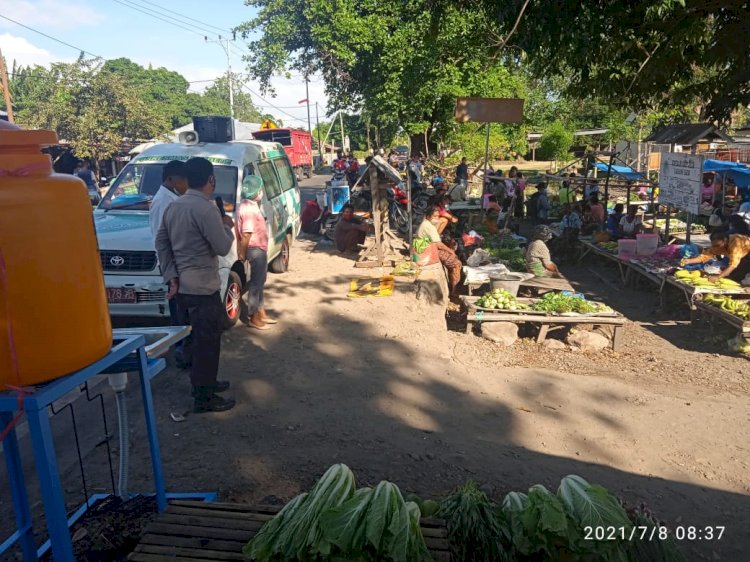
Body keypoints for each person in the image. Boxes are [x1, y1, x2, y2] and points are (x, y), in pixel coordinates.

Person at [155, 157, 236, 413]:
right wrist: (227, 227)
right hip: (203, 288)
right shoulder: (205, 209)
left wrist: (171, 275)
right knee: (208, 343)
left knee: (195, 341)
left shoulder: (174, 207)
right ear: (210, 179)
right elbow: (222, 246)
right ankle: (204, 396)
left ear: (187, 179)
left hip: (183, 287)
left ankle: (205, 383)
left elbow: (161, 243)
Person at [236, 175, 276, 331]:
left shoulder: (247, 204)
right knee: (256, 284)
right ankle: (253, 317)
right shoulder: (250, 209)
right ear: (255, 191)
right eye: (260, 189)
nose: (261, 192)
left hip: (258, 248)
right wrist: (242, 252)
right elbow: (246, 233)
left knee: (260, 282)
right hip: (255, 249)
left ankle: (261, 312)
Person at [417, 207, 462, 297]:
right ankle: (454, 290)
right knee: (457, 263)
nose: (436, 218)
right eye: (434, 216)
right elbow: (438, 244)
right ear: (428, 216)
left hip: (426, 248)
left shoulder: (426, 224)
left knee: (453, 259)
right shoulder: (429, 227)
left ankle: (452, 284)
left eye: (438, 216)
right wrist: (451, 251)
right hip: (428, 251)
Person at [681, 231, 750, 281]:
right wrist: (689, 261)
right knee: (732, 275)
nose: (716, 248)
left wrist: (718, 277)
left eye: (718, 246)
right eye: (714, 245)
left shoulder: (736, 244)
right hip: (743, 256)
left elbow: (733, 265)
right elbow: (705, 256)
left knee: (740, 277)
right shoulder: (716, 245)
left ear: (725, 240)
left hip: (747, 255)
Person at [150, 160, 188, 237]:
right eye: (184, 179)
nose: (187, 183)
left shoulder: (174, 198)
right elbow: (162, 237)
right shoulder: (163, 201)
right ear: (170, 179)